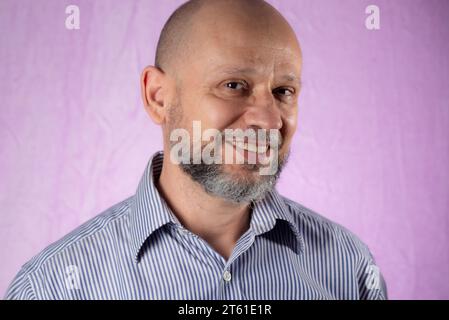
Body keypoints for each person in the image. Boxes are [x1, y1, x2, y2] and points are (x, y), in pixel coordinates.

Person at [5, 0, 387, 300]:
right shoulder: (51, 288)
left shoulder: (349, 269)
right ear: (158, 97)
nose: (269, 120)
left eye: (283, 91)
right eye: (234, 85)